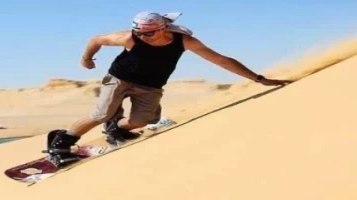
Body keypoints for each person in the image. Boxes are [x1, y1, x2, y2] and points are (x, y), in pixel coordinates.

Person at [45, 11, 291, 164]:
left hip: (151, 86)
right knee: (101, 113)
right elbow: (96, 39)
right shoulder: (129, 37)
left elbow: (221, 60)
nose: (142, 37)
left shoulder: (184, 41)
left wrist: (259, 79)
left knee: (142, 121)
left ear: (163, 29)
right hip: (119, 79)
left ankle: (116, 128)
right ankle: (60, 143)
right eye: (139, 33)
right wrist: (86, 58)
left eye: (148, 34)